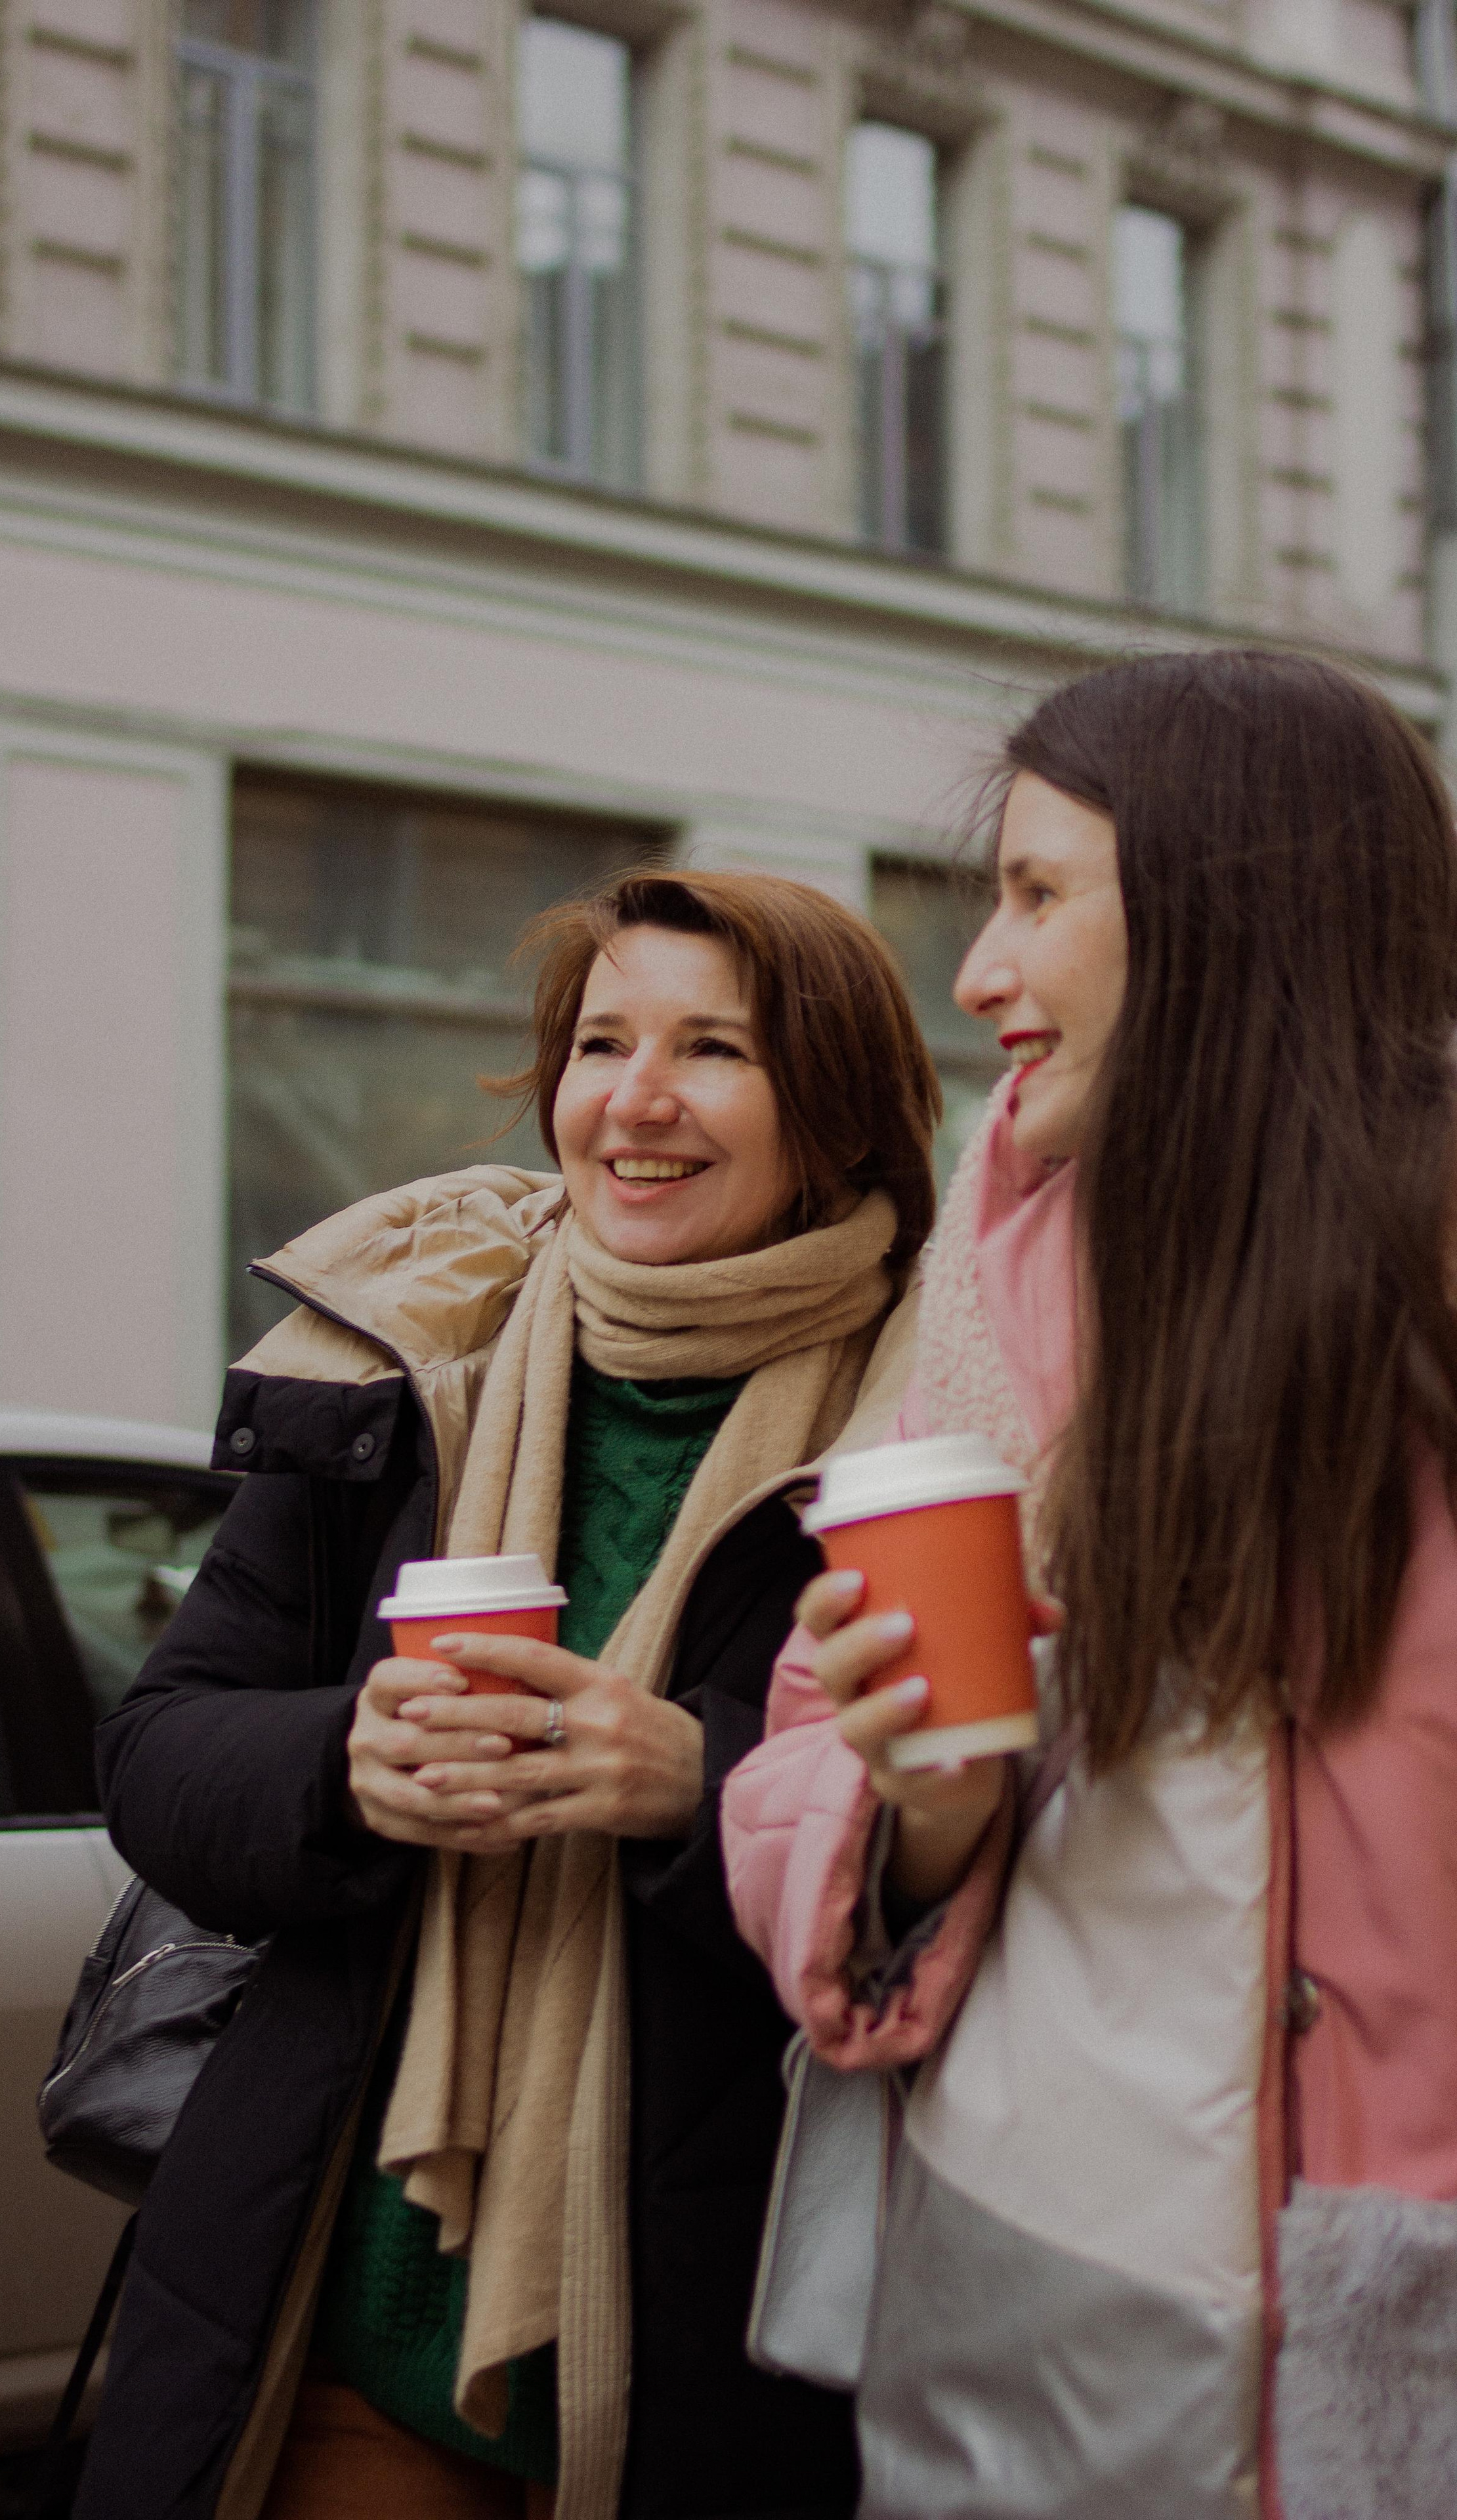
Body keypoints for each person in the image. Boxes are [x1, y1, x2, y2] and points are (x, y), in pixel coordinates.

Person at [76, 869, 941, 2520]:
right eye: (600, 1043)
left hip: (729, 2368)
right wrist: (343, 1764)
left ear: (837, 1119)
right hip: (341, 2325)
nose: (635, 1099)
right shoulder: (410, 1364)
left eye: (713, 1050)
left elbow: (984, 1866)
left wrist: (702, 1785)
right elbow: (154, 1755)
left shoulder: (936, 1428)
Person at [723, 650, 1457, 2520]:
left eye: (1039, 895)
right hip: (1055, 2326)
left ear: (1229, 916)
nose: (979, 973)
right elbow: (807, 1757)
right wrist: (918, 1810)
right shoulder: (990, 1296)